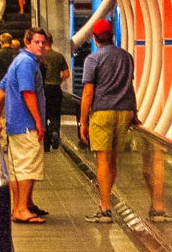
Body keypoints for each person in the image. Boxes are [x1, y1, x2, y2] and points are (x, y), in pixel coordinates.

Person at [78, 18, 138, 223]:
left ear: (95, 39)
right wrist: (135, 114)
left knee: (102, 159)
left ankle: (105, 208)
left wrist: (83, 122)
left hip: (103, 112)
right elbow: (129, 86)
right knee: (113, 159)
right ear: (112, 36)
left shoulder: (93, 59)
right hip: (125, 112)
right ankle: (106, 200)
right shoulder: (127, 57)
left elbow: (87, 93)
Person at [0, 27, 48, 224]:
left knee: (17, 167)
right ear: (27, 42)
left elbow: (1, 89)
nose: (41, 46)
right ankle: (21, 208)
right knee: (27, 167)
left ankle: (22, 205)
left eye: (42, 42)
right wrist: (38, 121)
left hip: (14, 124)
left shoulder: (18, 62)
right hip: (26, 125)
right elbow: (28, 92)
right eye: (36, 42)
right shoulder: (26, 63)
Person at [40, 32, 70, 151]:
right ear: (51, 42)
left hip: (43, 89)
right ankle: (55, 131)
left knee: (44, 114)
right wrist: (58, 81)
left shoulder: (40, 57)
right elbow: (66, 74)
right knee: (55, 114)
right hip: (55, 89)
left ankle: (46, 142)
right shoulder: (59, 56)